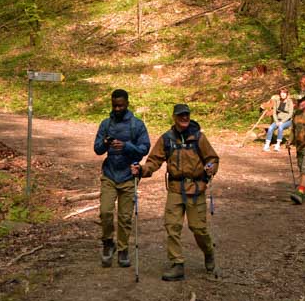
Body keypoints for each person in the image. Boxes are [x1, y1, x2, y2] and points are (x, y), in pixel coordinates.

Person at [132, 104, 219, 282]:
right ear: (174, 117)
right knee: (172, 227)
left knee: (198, 228)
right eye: (180, 115)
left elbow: (212, 158)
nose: (184, 118)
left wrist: (211, 167)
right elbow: (154, 161)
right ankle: (177, 263)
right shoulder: (167, 139)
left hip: (196, 188)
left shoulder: (199, 137)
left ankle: (209, 251)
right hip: (175, 189)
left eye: (186, 115)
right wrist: (142, 170)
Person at [92, 89, 150, 268]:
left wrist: (126, 146)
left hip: (128, 176)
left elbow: (144, 149)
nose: (117, 109)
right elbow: (97, 149)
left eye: (120, 106)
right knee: (105, 212)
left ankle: (123, 249)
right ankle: (108, 242)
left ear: (127, 104)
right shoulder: (106, 124)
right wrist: (105, 143)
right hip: (109, 174)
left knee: (125, 217)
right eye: (114, 105)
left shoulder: (137, 125)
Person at [262, 87, 295, 151]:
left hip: (287, 121)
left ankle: (278, 145)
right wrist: (276, 121)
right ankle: (267, 145)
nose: (283, 94)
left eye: (284, 93)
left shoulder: (289, 101)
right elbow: (274, 113)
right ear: (279, 94)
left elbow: (290, 114)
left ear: (287, 94)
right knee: (271, 128)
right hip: (278, 120)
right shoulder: (277, 101)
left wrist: (282, 122)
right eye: (281, 93)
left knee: (280, 127)